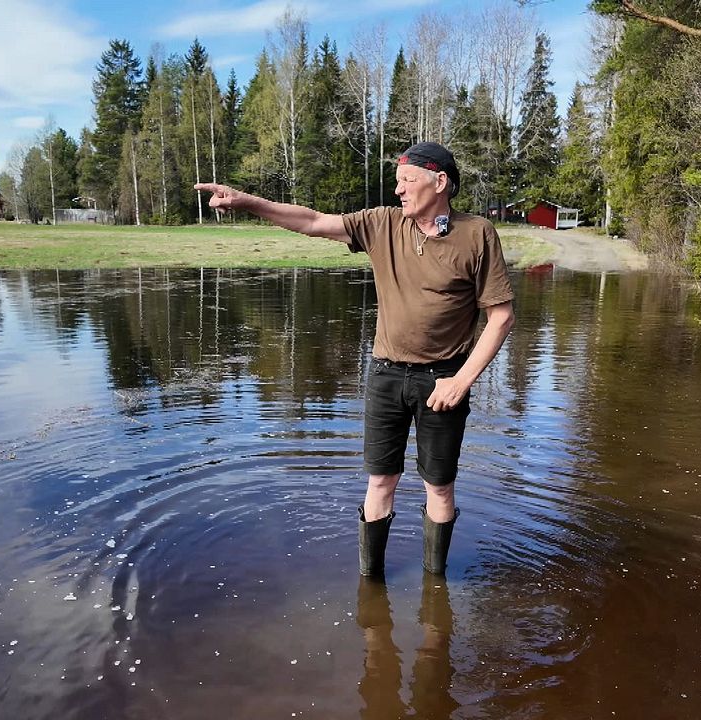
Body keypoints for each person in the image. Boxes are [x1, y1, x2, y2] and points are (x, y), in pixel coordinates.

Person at [195, 141, 515, 577]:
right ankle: (372, 585)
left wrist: (461, 382)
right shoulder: (382, 224)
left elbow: (500, 317)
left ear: (440, 182)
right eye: (397, 182)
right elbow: (311, 221)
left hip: (443, 380)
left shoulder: (477, 234)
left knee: (439, 487)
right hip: (386, 376)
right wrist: (248, 201)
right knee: (380, 481)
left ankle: (435, 585)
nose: (399, 190)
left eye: (408, 181)